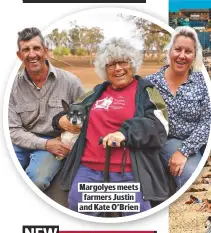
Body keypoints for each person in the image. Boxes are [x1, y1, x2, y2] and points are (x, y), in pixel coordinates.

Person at [52, 37, 170, 217]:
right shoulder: (96, 92)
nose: (118, 69)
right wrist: (60, 120)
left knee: (136, 219)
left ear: (132, 64)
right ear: (104, 70)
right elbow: (73, 110)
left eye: (123, 62)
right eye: (111, 64)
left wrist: (125, 133)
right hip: (88, 169)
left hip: (129, 171)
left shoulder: (146, 91)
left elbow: (160, 125)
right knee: (78, 212)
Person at [9, 27, 85, 191]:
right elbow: (13, 130)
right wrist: (45, 144)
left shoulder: (71, 82)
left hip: (57, 143)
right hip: (20, 141)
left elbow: (88, 115)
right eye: (26, 50)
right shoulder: (11, 86)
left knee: (37, 179)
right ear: (19, 55)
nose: (32, 54)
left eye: (36, 48)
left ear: (45, 50)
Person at [145, 26, 211, 190]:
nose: (182, 55)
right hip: (169, 140)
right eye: (178, 49)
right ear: (169, 52)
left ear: (194, 55)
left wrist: (185, 150)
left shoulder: (202, 82)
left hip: (198, 140)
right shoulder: (151, 83)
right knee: (191, 175)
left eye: (188, 51)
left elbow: (207, 121)